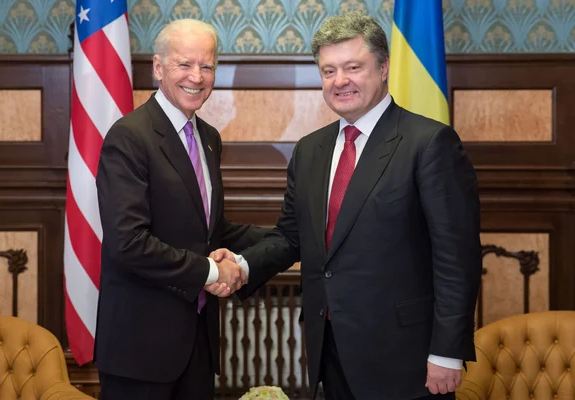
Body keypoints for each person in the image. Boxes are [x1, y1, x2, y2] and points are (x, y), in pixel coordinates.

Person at [214, 11, 482, 400]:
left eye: (353, 67)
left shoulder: (429, 143)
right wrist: (240, 266)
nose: (340, 81)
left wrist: (447, 352)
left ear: (384, 66)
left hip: (408, 358)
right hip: (330, 350)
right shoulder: (310, 150)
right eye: (328, 71)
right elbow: (291, 237)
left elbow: (457, 258)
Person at [94, 19, 268, 400]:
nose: (197, 76)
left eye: (207, 66)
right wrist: (211, 270)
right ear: (158, 68)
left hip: (197, 346)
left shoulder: (208, 138)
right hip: (140, 354)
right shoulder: (129, 137)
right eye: (184, 64)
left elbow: (210, 230)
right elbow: (128, 242)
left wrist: (292, 234)